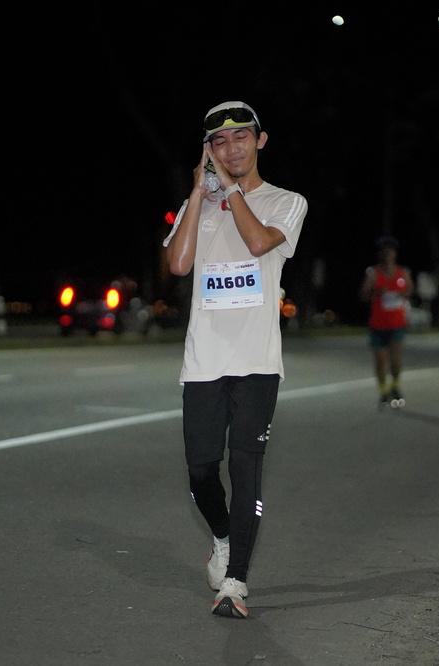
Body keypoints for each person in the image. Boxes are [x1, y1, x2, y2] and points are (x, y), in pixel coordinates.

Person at [163, 102, 307, 619]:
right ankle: (222, 536)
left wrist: (231, 190)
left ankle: (236, 583)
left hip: (257, 362)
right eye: (219, 143)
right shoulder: (197, 205)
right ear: (208, 150)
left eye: (241, 137)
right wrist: (198, 194)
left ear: (260, 140)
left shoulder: (285, 202)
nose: (231, 149)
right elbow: (178, 264)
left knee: (246, 468)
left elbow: (257, 241)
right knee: (201, 470)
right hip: (204, 360)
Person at [359, 236, 413, 407]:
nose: (387, 254)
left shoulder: (403, 273)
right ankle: (383, 391)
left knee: (395, 361)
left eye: (390, 251)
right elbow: (363, 295)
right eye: (383, 251)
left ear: (395, 254)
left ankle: (395, 386)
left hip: (397, 324)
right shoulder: (373, 273)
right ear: (380, 254)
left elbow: (410, 290)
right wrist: (376, 292)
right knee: (381, 360)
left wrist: (403, 294)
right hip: (377, 325)